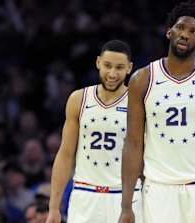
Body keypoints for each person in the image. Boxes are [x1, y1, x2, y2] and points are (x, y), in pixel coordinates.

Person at [118, 1, 195, 223]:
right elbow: (133, 143)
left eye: (193, 31)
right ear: (169, 32)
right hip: (159, 188)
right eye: (181, 28)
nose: (185, 34)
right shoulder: (142, 79)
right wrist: (126, 204)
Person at [46, 40, 142, 223]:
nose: (112, 73)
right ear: (98, 63)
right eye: (107, 66)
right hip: (85, 195)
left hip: (126, 197)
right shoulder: (78, 99)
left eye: (119, 67)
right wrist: (53, 207)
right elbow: (65, 154)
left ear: (129, 68)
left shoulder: (138, 103)